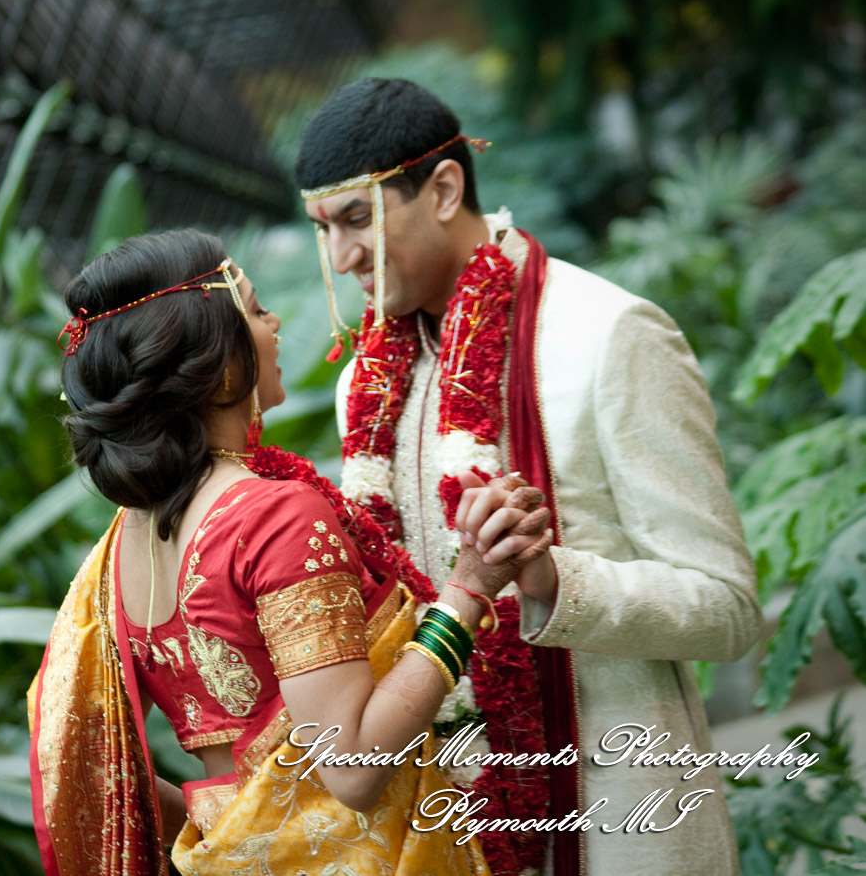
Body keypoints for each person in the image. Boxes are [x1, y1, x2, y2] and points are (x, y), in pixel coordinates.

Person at [294, 77, 762, 876]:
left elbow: (728, 608)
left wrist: (551, 579)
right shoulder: (362, 388)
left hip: (623, 821)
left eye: (357, 218)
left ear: (443, 189)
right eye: (323, 229)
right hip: (449, 828)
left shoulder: (607, 335)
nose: (341, 258)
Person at [27, 229, 556, 876]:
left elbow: (102, 775)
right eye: (253, 308)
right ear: (220, 369)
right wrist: (470, 587)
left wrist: (228, 829)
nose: (274, 322)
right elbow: (354, 767)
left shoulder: (124, 543)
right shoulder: (271, 517)